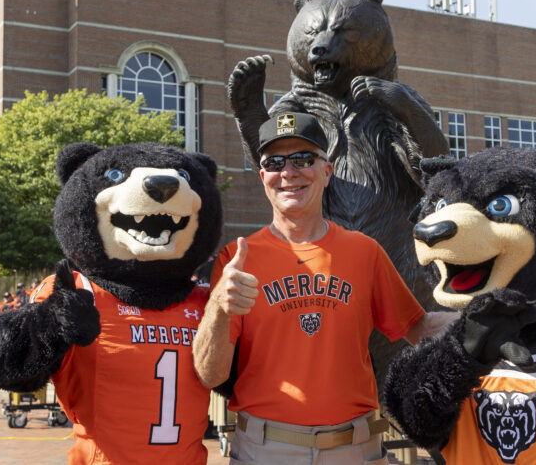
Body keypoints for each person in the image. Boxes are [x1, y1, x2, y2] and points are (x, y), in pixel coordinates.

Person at [193, 112, 457, 465]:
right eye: (275, 162)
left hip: (356, 448)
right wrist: (218, 309)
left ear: (327, 171)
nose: (289, 172)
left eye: (303, 158)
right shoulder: (236, 259)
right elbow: (212, 374)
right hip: (266, 450)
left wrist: (479, 317)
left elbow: (418, 328)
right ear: (263, 177)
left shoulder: (364, 251)